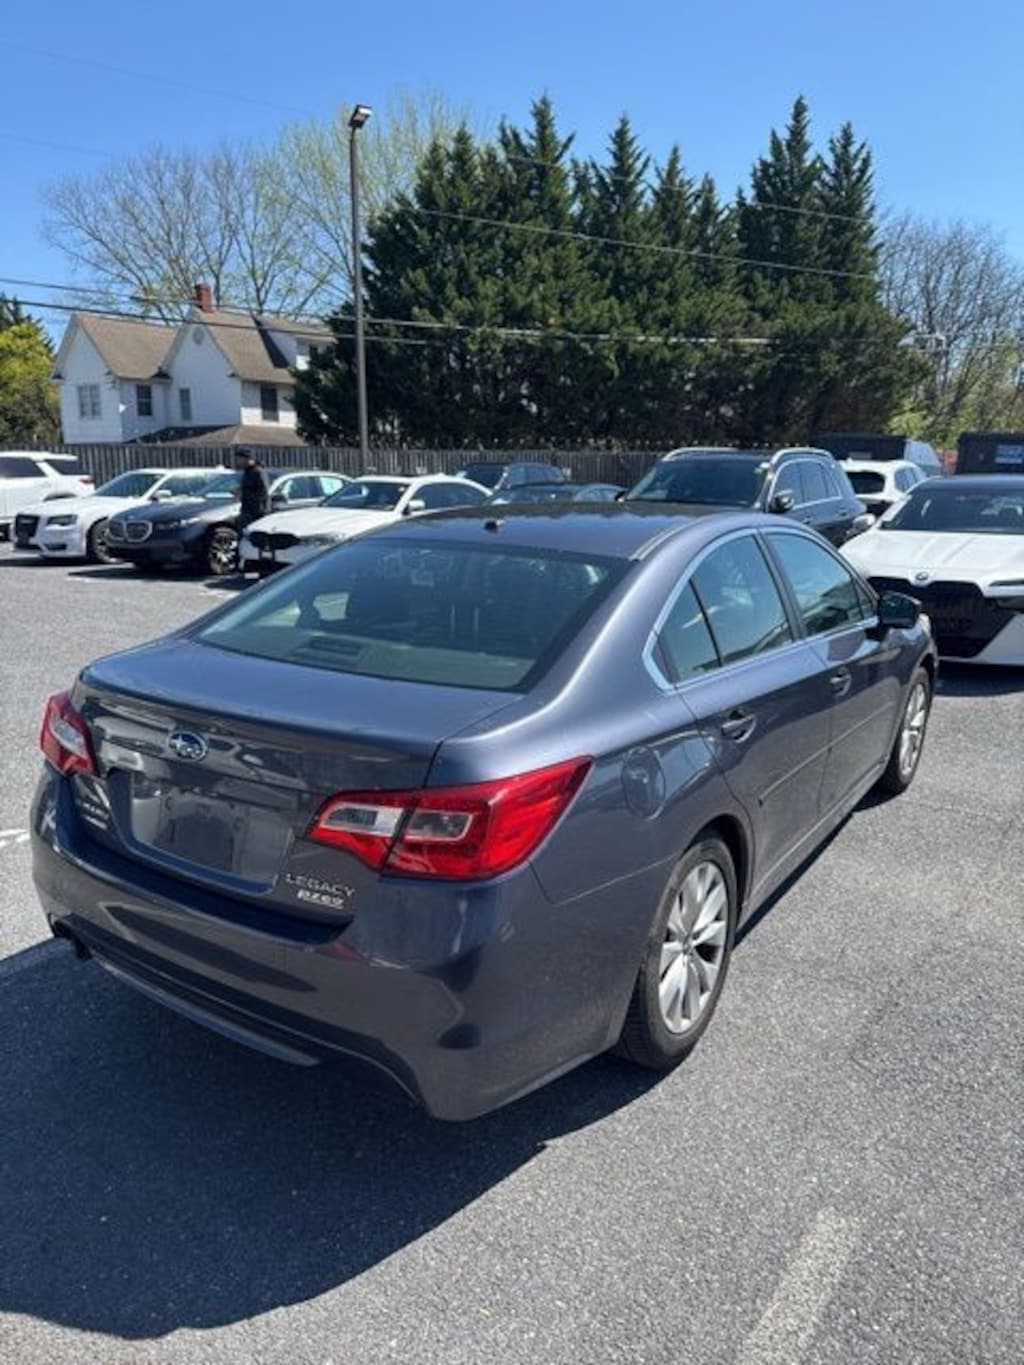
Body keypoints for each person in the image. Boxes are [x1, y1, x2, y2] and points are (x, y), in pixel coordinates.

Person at [235, 447, 270, 528]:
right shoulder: (247, 472)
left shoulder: (258, 472)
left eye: (240, 459)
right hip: (247, 509)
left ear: (247, 458)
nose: (238, 462)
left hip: (257, 512)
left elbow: (264, 492)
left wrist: (244, 494)